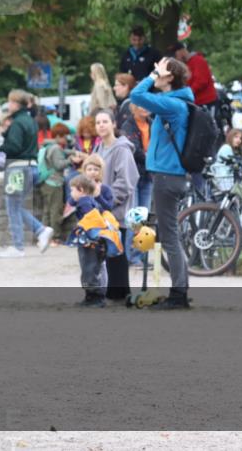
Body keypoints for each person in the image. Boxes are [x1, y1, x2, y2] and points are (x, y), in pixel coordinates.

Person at [130, 56, 194, 310]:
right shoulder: (176, 103)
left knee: (170, 238)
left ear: (170, 77)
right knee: (168, 236)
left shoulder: (174, 104)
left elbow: (136, 94)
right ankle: (177, 290)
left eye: (160, 70)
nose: (156, 73)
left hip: (168, 177)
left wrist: (152, 77)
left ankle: (179, 294)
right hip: (169, 176)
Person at [0, 89, 54, 257]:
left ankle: (19, 246)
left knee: (12, 207)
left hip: (17, 168)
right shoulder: (31, 120)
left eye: (10, 102)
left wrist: (2, 145)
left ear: (15, 103)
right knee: (16, 206)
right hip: (32, 168)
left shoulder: (17, 122)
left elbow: (14, 147)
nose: (8, 105)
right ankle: (40, 230)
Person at [90, 109, 135, 299]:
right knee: (105, 252)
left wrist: (108, 202)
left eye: (105, 121)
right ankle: (112, 291)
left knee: (116, 251)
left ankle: (120, 292)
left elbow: (125, 182)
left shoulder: (122, 149)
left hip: (115, 210)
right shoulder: (98, 149)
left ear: (113, 124)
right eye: (98, 122)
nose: (101, 125)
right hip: (99, 210)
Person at [67, 174, 122, 308]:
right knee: (94, 268)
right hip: (97, 242)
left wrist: (83, 230)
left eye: (72, 190)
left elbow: (92, 220)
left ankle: (95, 298)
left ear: (80, 190)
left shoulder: (85, 202)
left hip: (90, 242)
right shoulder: (90, 200)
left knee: (89, 268)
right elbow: (71, 201)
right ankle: (93, 296)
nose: (70, 193)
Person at [121, 103, 153, 264]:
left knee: (143, 217)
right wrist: (151, 159)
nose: (145, 108)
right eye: (141, 105)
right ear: (134, 108)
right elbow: (133, 149)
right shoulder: (128, 126)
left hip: (148, 176)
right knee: (134, 217)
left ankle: (138, 255)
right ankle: (130, 256)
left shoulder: (153, 123)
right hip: (134, 175)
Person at [35, 123, 71, 247]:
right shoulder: (56, 148)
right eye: (66, 136)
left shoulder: (48, 145)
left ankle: (43, 236)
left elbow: (63, 152)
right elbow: (58, 164)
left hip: (46, 182)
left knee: (47, 211)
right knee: (55, 211)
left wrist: (71, 152)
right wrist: (71, 160)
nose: (67, 139)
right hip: (54, 182)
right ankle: (55, 238)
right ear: (60, 136)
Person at [170, 42, 217, 113]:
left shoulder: (198, 60)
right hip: (195, 103)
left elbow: (201, 82)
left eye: (175, 55)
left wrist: (187, 93)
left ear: (182, 51)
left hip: (206, 102)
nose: (176, 58)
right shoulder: (186, 64)